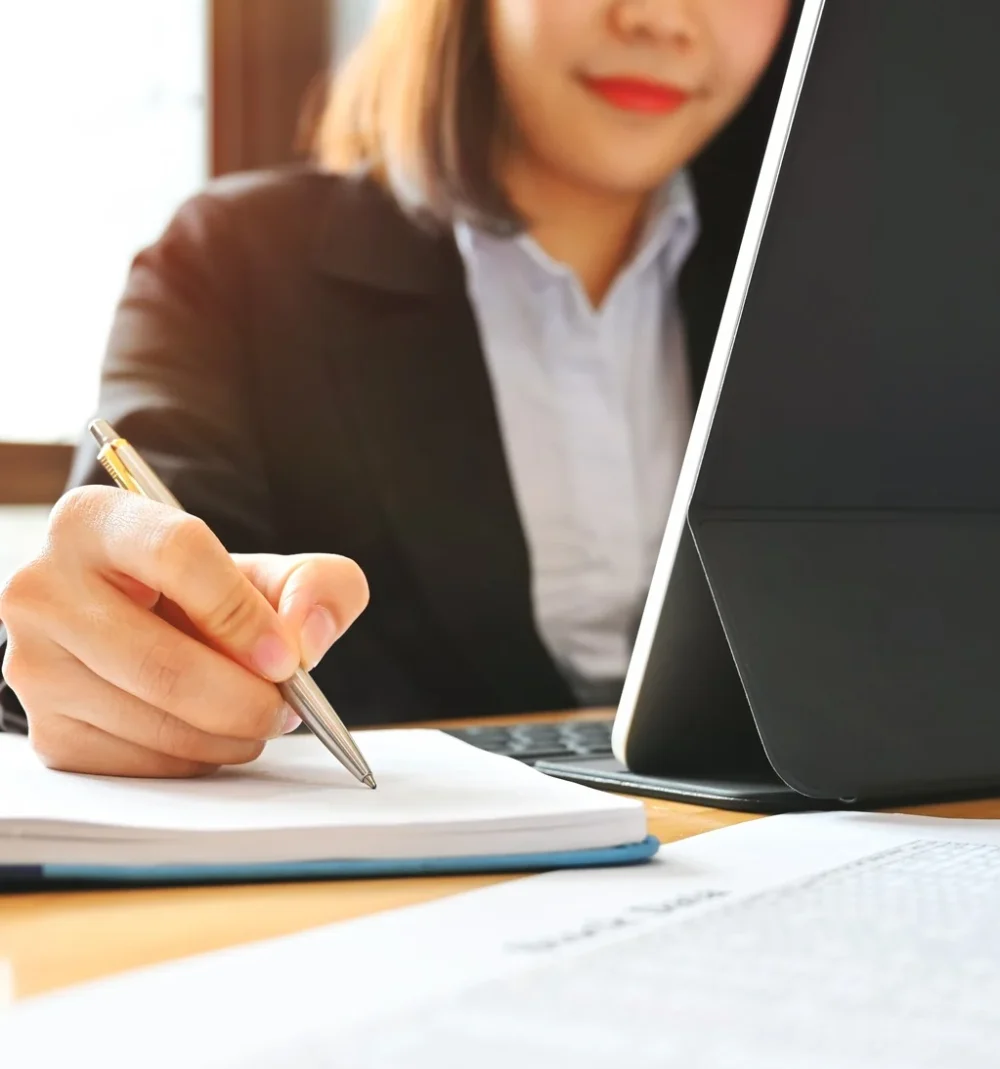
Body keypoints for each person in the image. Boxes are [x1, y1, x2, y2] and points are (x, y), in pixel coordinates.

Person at [0, 0, 795, 776]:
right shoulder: (233, 266)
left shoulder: (839, 274)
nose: (660, 18)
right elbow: (119, 596)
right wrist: (93, 650)